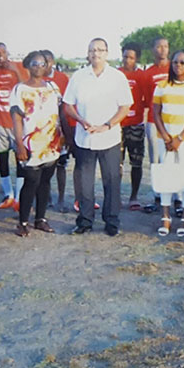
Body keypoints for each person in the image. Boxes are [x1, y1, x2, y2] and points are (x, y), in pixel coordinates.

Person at [62, 38, 133, 237]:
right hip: (84, 138)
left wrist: (107, 125)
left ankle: (111, 221)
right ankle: (84, 221)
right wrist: (81, 120)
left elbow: (125, 106)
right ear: (88, 53)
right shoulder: (78, 77)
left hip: (109, 138)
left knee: (111, 181)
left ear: (106, 53)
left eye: (100, 50)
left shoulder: (117, 77)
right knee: (85, 183)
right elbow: (68, 105)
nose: (96, 54)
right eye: (92, 50)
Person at [151, 49, 184, 237]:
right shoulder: (162, 85)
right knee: (166, 175)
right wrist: (167, 137)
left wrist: (180, 138)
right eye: (175, 62)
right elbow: (155, 112)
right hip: (165, 139)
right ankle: (165, 217)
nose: (178, 66)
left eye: (182, 63)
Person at [10, 51, 64, 237]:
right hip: (30, 144)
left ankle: (40, 219)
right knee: (31, 181)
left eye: (42, 64)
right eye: (35, 63)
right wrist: (19, 144)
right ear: (27, 65)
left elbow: (61, 112)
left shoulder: (53, 87)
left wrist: (65, 136)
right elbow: (17, 119)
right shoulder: (20, 89)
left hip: (52, 143)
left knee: (45, 182)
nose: (39, 67)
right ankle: (23, 222)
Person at [0, 42, 26, 212]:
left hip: (17, 123)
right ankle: (8, 194)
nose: (1, 55)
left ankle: (19, 197)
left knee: (20, 158)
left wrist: (15, 70)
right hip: (0, 123)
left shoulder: (17, 67)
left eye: (4, 52)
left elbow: (25, 89)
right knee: (3, 159)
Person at [41, 49, 73, 214]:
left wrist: (67, 132)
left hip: (59, 129)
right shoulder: (35, 78)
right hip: (41, 132)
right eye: (42, 62)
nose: (44, 65)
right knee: (44, 166)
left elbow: (65, 106)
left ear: (52, 62)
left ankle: (60, 198)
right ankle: (45, 198)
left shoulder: (62, 78)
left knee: (61, 165)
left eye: (47, 61)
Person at [142, 36, 171, 213]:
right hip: (154, 122)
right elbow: (148, 99)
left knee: (173, 160)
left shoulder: (175, 69)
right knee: (156, 161)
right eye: (158, 46)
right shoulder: (148, 73)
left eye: (165, 46)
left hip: (172, 121)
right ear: (153, 50)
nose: (162, 50)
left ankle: (175, 199)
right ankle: (158, 197)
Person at [118, 42, 146, 211]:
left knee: (136, 162)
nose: (127, 60)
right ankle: (116, 195)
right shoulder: (116, 74)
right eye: (125, 57)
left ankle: (134, 196)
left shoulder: (142, 76)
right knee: (117, 164)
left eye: (131, 57)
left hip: (136, 125)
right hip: (117, 126)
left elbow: (148, 98)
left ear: (137, 59)